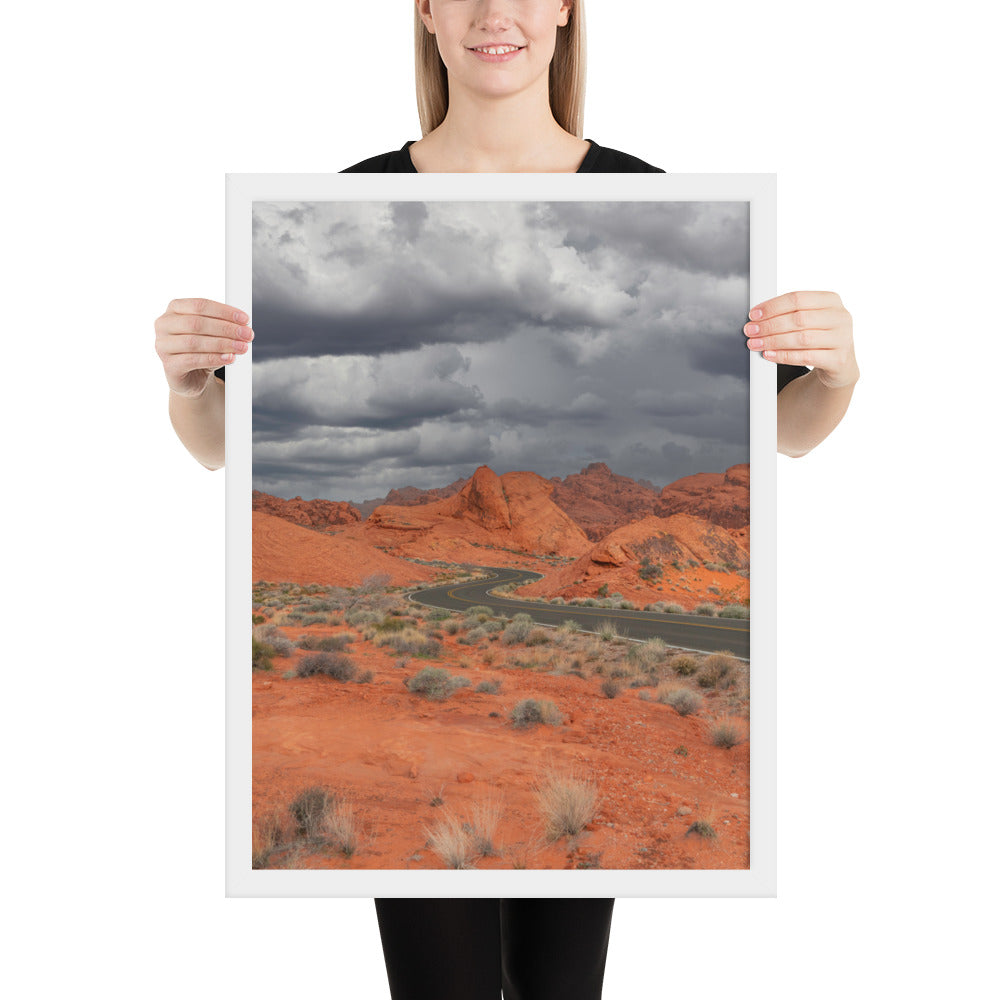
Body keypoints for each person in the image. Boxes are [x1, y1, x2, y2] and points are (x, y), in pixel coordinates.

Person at [154, 2, 859, 998]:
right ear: (427, 13)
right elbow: (223, 450)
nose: (498, 13)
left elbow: (778, 432)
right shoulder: (343, 202)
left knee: (560, 989)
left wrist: (837, 372)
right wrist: (189, 386)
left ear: (567, 9)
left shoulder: (646, 197)